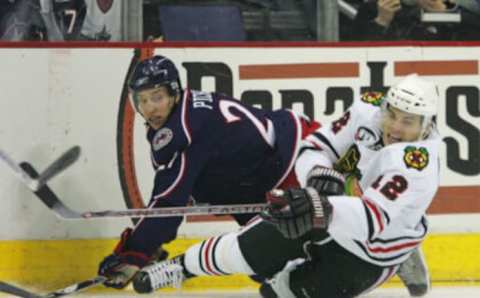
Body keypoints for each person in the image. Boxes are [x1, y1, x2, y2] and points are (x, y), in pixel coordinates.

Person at [133, 74, 441, 298]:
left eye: (408, 121)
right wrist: (318, 175)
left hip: (373, 249)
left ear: (426, 125)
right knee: (246, 249)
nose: (395, 128)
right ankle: (180, 267)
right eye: (393, 115)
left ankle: (406, 250)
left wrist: (322, 207)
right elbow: (314, 145)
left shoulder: (417, 165)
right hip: (341, 206)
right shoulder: (369, 109)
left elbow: (371, 221)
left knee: (277, 293)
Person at [97, 55, 321, 289]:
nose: (149, 107)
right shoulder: (184, 109)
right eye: (142, 100)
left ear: (174, 92)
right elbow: (180, 192)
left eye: (157, 97)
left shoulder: (182, 131)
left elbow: (169, 202)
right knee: (266, 266)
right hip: (260, 176)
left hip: (295, 160)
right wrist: (151, 241)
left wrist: (134, 253)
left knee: (289, 256)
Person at [350, 0, 480, 41]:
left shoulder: (458, 9)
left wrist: (447, 14)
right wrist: (381, 21)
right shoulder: (375, 8)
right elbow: (354, 55)